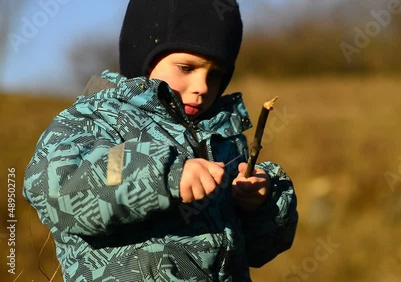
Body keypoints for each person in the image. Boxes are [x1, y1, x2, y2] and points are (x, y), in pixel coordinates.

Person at [23, 0, 298, 281]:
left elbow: (260, 251)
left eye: (215, 74)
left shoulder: (225, 141)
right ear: (144, 56)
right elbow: (59, 187)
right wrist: (164, 173)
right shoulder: (100, 120)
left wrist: (261, 206)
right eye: (186, 68)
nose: (202, 87)